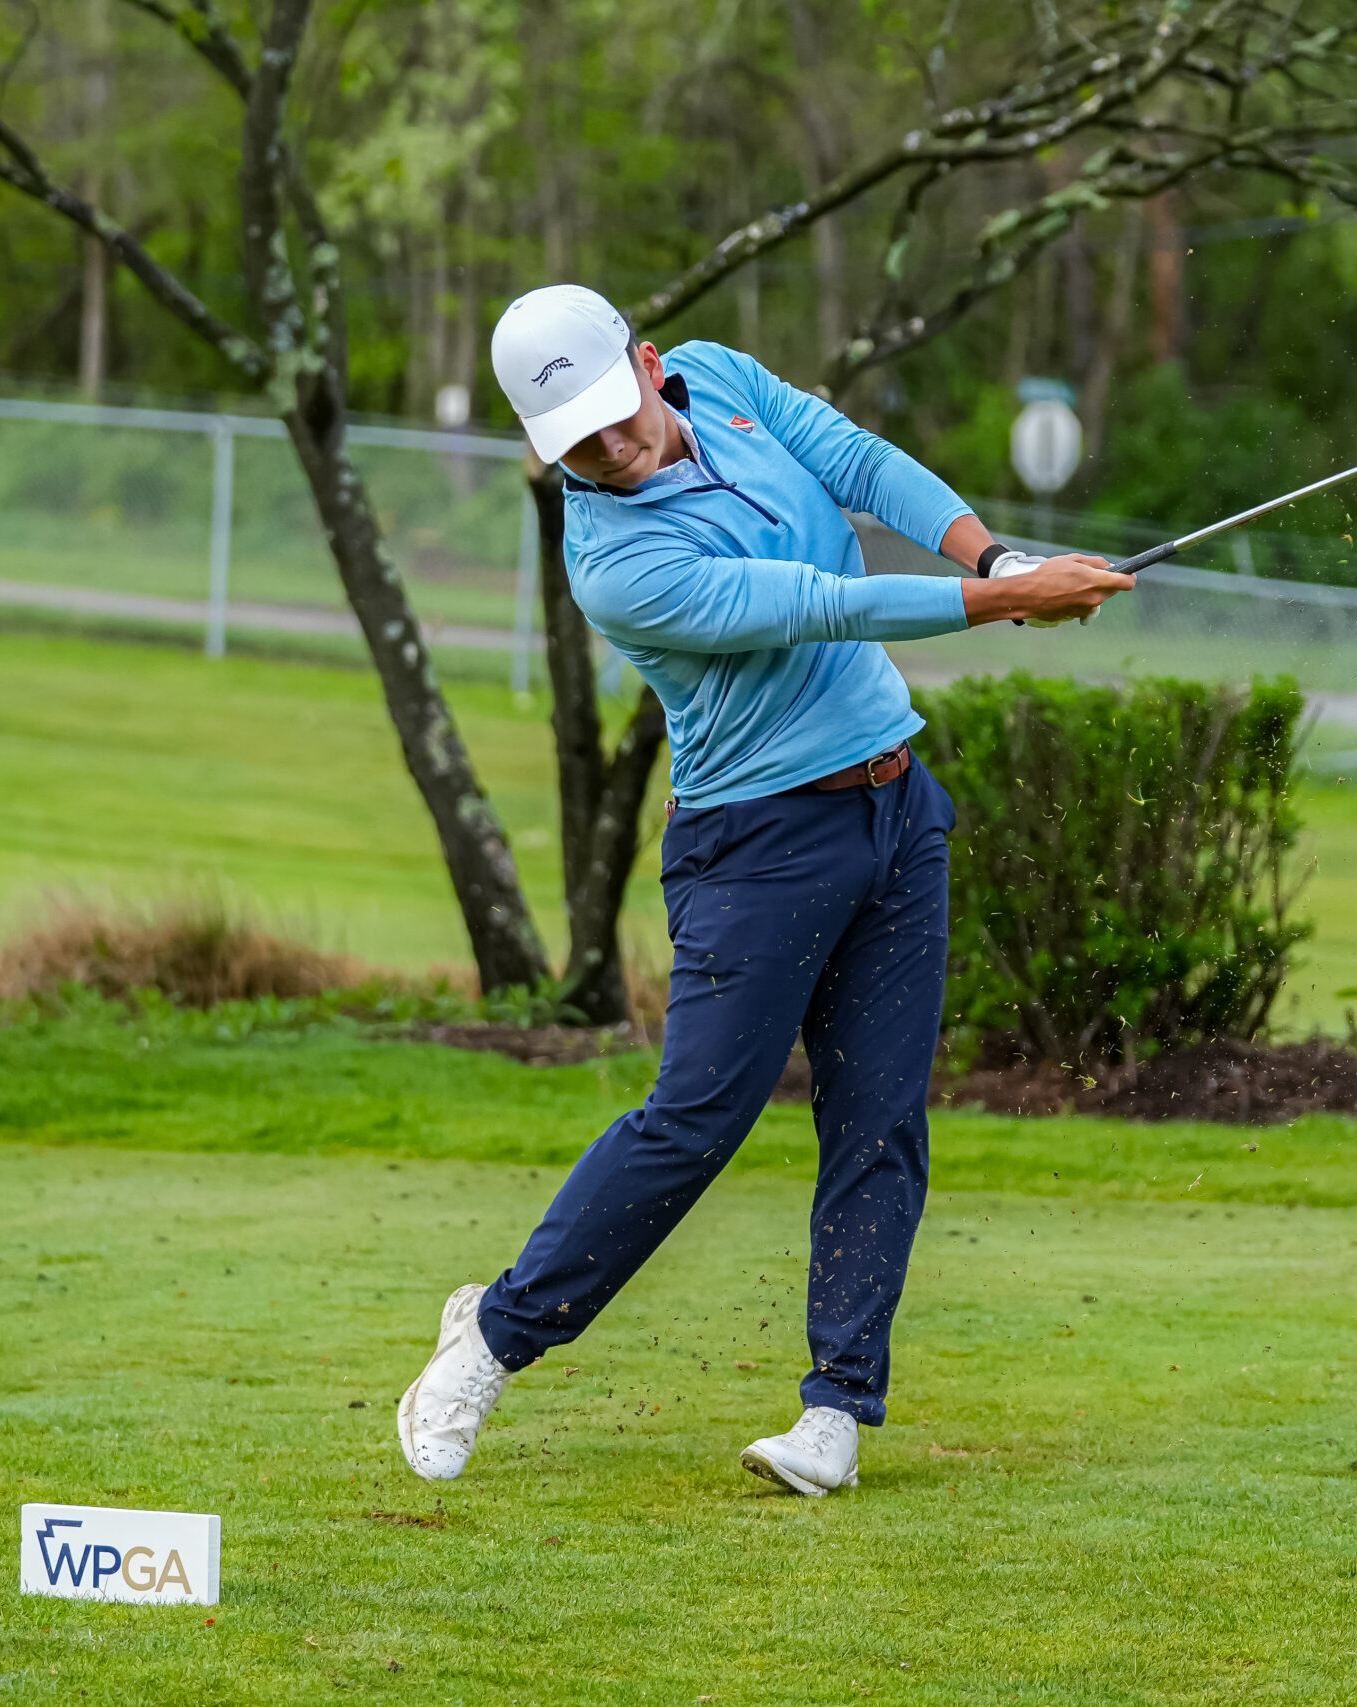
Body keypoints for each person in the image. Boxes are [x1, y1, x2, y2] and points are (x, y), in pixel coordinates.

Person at [395, 285, 1131, 1497]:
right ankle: (490, 1340)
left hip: (896, 809)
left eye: (613, 412)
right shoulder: (614, 562)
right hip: (756, 845)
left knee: (880, 1119)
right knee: (695, 1119)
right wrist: (1005, 601)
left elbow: (857, 462)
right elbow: (815, 607)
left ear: (647, 363)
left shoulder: (721, 378)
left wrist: (992, 554)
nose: (606, 447)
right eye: (573, 439)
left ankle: (836, 1408)